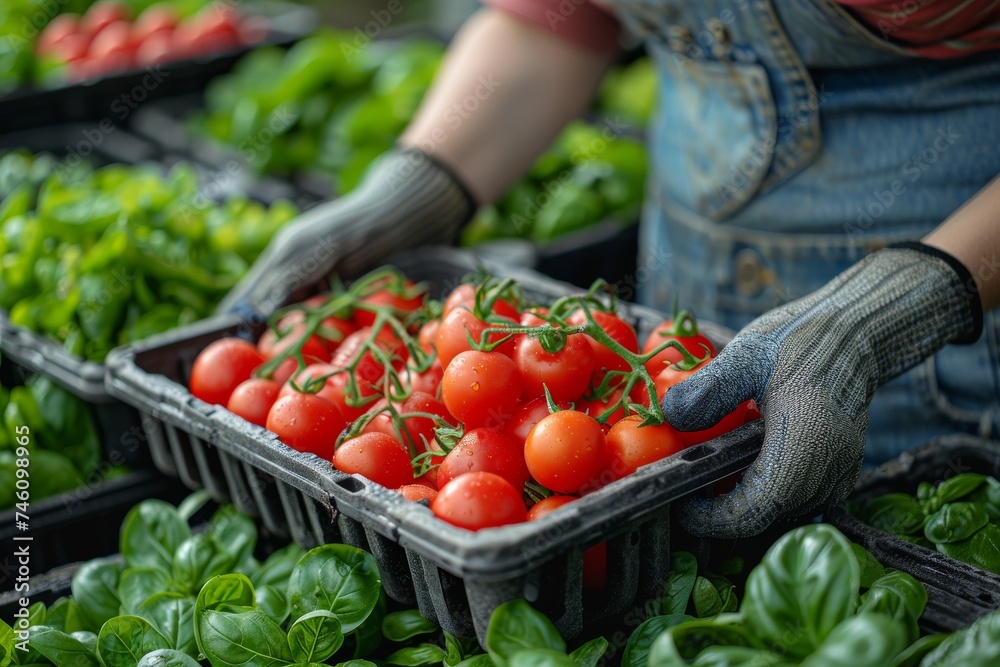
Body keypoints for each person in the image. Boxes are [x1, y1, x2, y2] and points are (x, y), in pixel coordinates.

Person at [221, 0, 1000, 538]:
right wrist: (425, 181)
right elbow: (561, 16)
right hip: (675, 313)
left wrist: (896, 308)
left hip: (951, 323)